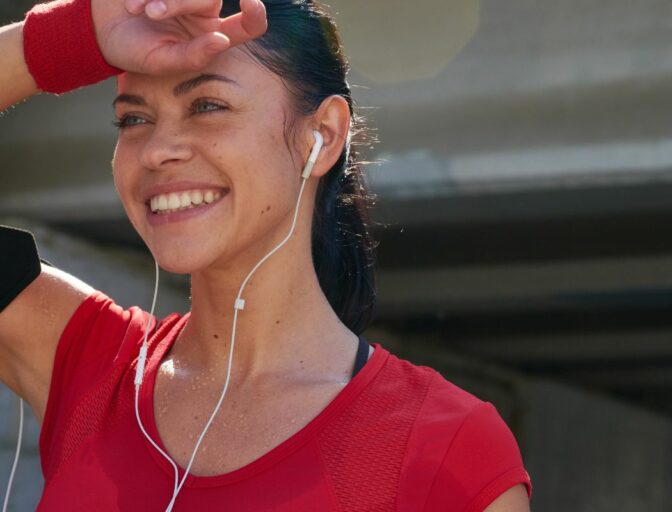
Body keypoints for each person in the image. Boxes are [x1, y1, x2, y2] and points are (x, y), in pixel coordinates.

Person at [0, 0, 532, 510]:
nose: (160, 149)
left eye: (207, 106)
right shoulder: (88, 366)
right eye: (134, 119)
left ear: (322, 136)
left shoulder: (445, 448)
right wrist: (76, 33)